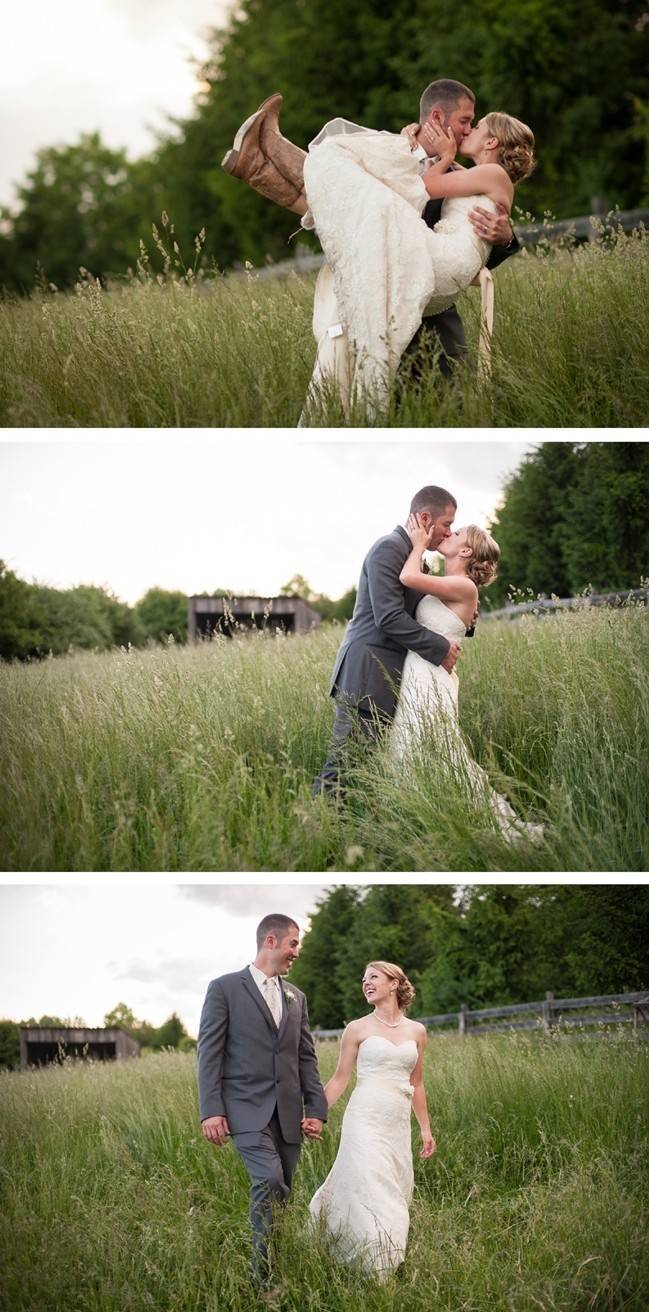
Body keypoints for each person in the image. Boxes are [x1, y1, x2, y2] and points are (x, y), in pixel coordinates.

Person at [221, 81, 528, 404]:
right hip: (381, 276)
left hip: (432, 313)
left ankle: (263, 155)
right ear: (437, 117)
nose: (468, 130)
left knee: (363, 193)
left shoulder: (470, 174)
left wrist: (506, 238)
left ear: (491, 141)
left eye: (474, 125)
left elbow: (431, 196)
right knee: (352, 195)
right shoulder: (399, 152)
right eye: (467, 122)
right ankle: (256, 165)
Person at [197, 914, 328, 1298]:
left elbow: (306, 1057)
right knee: (269, 1180)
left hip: (288, 1115)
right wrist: (211, 1109)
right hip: (245, 1110)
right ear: (270, 940)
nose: (296, 952)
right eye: (294, 944)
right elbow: (209, 1053)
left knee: (283, 1193)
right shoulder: (223, 989)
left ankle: (275, 1264)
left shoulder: (297, 997)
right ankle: (261, 1279)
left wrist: (316, 1109)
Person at [393, 514, 545, 843]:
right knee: (417, 743)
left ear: (465, 552)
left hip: (432, 676)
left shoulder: (462, 586)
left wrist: (419, 544)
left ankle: (476, 823)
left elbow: (406, 576)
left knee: (436, 747)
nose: (450, 532)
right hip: (420, 671)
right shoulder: (452, 585)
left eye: (457, 532)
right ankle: (423, 814)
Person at [312, 485, 462, 798]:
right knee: (342, 768)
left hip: (389, 678)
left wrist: (463, 620)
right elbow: (389, 617)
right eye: (447, 524)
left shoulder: (416, 560)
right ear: (424, 517)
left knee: (365, 768)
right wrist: (439, 649)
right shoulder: (388, 548)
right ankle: (315, 834)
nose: (448, 533)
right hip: (367, 674)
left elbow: (427, 613)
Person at [309, 961, 435, 1281]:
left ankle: (386, 1253)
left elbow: (417, 1083)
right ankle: (374, 1268)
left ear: (394, 984)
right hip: (363, 1117)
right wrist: (315, 1113)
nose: (366, 983)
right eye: (363, 979)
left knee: (393, 1189)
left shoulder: (417, 1031)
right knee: (368, 1183)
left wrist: (425, 1129)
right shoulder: (357, 1028)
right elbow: (339, 1079)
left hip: (396, 1122)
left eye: (373, 977)